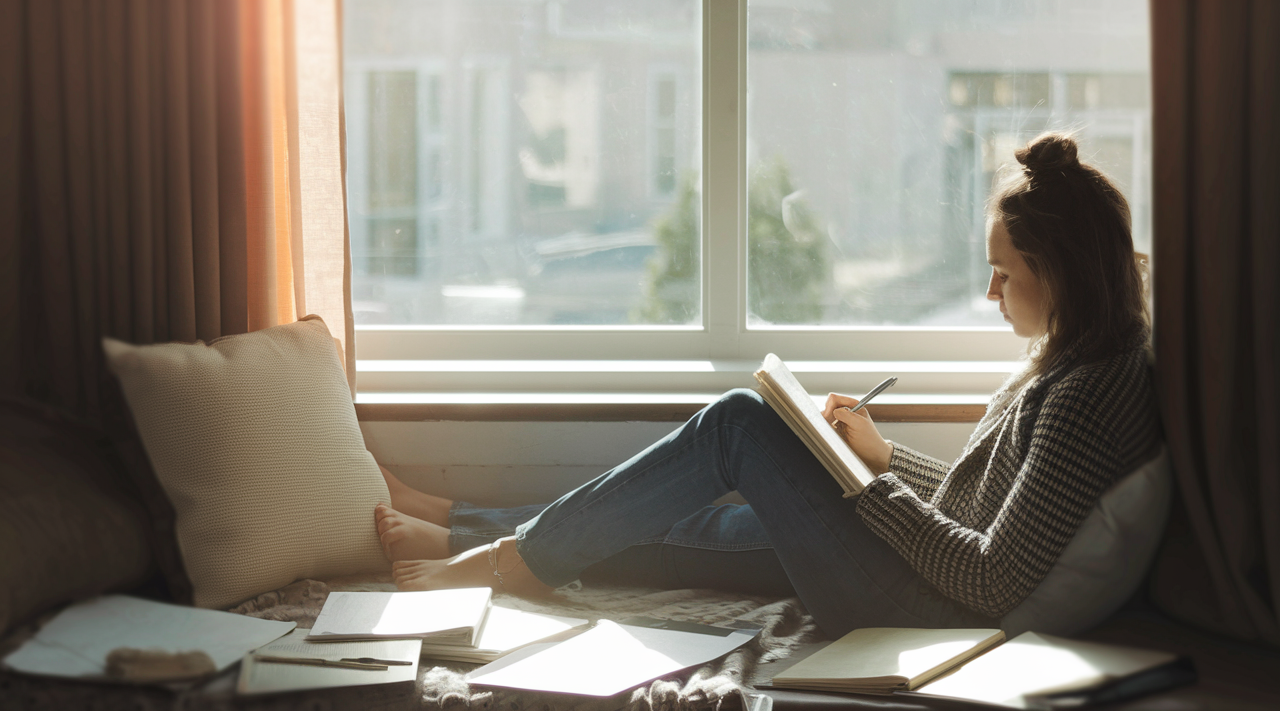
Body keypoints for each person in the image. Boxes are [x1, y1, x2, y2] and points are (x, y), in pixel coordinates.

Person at [371, 132, 1161, 637]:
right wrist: (880, 458)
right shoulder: (1084, 357)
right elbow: (981, 507)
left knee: (741, 424)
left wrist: (863, 493)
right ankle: (460, 526)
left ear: (1059, 270)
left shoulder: (1086, 397)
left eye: (1002, 273)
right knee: (700, 530)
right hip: (912, 576)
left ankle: (511, 562)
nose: (990, 294)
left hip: (918, 605)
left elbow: (988, 577)